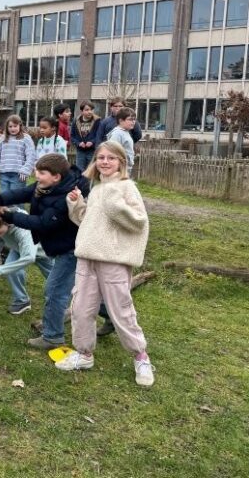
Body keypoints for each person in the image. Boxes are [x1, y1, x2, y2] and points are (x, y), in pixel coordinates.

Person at [58, 141, 154, 387]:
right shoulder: (97, 188)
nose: (105, 162)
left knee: (120, 309)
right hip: (87, 257)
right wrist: (77, 204)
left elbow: (139, 222)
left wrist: (115, 206)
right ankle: (84, 353)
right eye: (101, 157)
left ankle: (140, 356)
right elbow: (89, 222)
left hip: (113, 259)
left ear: (121, 162)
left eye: (111, 158)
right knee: (81, 307)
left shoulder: (126, 187)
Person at [0, 153, 90, 349]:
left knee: (54, 291)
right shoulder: (45, 186)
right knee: (78, 289)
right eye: (37, 171)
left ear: (56, 176)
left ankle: (53, 337)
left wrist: (11, 217)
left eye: (41, 173)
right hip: (59, 246)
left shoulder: (65, 196)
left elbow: (43, 223)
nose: (36, 175)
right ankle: (106, 311)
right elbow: (24, 193)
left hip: (71, 249)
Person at [0, 114, 36, 193]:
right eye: (10, 126)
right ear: (7, 127)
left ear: (20, 126)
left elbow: (31, 155)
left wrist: (26, 170)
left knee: (16, 197)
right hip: (4, 174)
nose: (12, 128)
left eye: (15, 126)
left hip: (18, 175)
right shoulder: (3, 138)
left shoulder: (26, 138)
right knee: (4, 197)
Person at [71, 101, 102, 172]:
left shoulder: (97, 121)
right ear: (82, 111)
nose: (90, 112)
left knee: (91, 171)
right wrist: (78, 143)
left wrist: (92, 142)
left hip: (92, 150)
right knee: (79, 171)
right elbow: (72, 136)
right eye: (87, 110)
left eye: (91, 110)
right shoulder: (76, 121)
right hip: (80, 151)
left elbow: (99, 135)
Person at [106, 107, 137, 175]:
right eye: (130, 119)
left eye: (134, 119)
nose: (133, 122)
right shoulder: (117, 133)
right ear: (121, 121)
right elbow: (112, 151)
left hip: (125, 168)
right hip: (119, 169)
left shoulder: (125, 132)